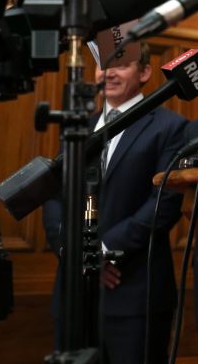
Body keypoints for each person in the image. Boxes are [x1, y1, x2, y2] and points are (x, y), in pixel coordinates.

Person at [43, 43, 187, 364]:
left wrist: (102, 251)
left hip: (133, 294)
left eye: (120, 64)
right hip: (74, 297)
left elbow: (165, 202)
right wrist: (78, 254)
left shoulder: (170, 127)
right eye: (101, 64)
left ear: (145, 72)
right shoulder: (76, 128)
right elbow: (54, 196)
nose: (107, 72)